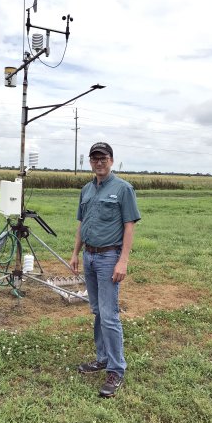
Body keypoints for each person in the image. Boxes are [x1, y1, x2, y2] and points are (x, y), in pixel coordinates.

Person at [70, 142, 141, 398]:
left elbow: (129, 226)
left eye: (103, 158)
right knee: (97, 310)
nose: (99, 162)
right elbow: (82, 224)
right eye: (94, 158)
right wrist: (76, 253)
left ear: (111, 160)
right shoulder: (86, 190)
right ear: (90, 161)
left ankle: (116, 369)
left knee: (110, 314)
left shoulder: (123, 189)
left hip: (109, 257)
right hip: (89, 256)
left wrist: (123, 261)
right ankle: (102, 358)